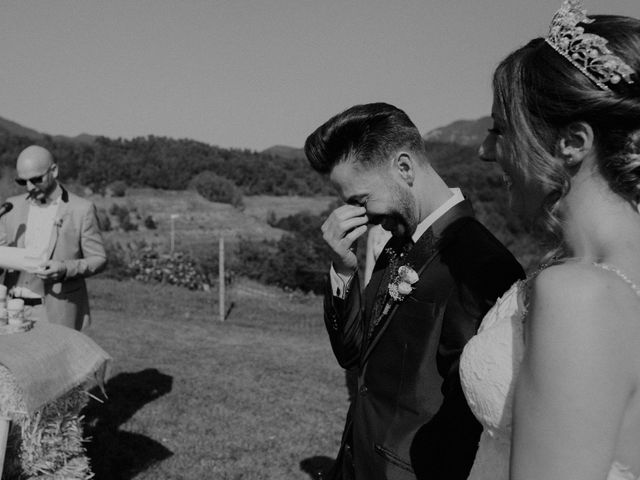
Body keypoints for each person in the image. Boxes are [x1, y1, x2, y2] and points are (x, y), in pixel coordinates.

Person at [459, 2, 640, 479]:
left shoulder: (582, 295)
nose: (484, 151)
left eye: (501, 129)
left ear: (573, 142)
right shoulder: (576, 267)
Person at [304, 103, 524, 480]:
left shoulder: (482, 265)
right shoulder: (396, 241)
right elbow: (352, 352)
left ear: (404, 168)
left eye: (360, 201)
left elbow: (470, 419)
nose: (361, 216)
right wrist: (343, 269)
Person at [0, 145, 107, 330]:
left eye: (36, 179)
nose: (29, 187)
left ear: (54, 171)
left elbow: (99, 259)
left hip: (55, 312)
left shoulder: (82, 209)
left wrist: (65, 269)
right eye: (22, 182)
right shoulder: (11, 207)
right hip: (12, 310)